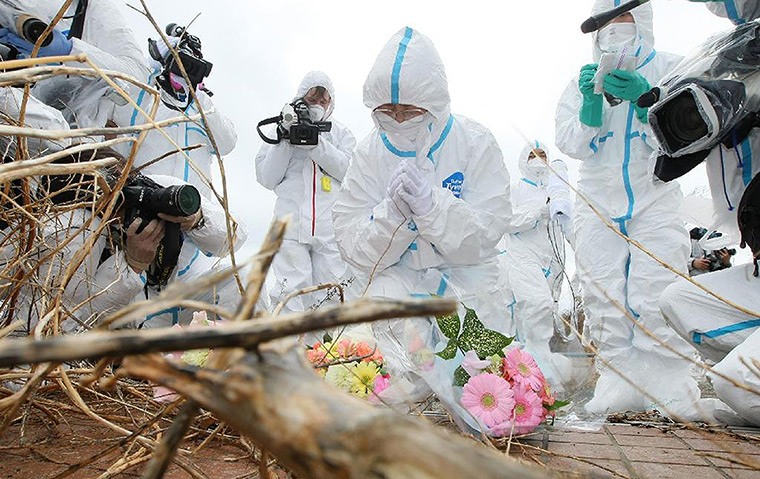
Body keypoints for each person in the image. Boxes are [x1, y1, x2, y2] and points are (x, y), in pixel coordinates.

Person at [333, 27, 512, 432]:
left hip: (466, 275)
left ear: (433, 102)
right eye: (387, 110)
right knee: (386, 313)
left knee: (477, 367)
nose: (397, 119)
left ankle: (473, 391)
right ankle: (412, 383)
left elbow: (488, 231)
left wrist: (435, 208)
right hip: (401, 276)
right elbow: (352, 244)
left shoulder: (474, 142)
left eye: (408, 110)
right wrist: (391, 216)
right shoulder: (368, 153)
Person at [555, 0, 708, 419]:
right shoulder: (582, 81)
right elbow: (571, 144)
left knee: (656, 287)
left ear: (642, 20)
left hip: (654, 194)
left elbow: (694, 134)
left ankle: (670, 381)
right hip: (597, 198)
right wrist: (590, 106)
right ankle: (619, 378)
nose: (614, 28)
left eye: (623, 17)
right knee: (603, 290)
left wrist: (649, 101)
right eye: (605, 23)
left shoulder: (674, 68)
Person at [256, 72, 355, 314]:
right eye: (313, 98)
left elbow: (350, 172)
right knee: (289, 294)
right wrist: (284, 138)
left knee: (332, 293)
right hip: (289, 227)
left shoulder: (339, 133)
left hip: (329, 230)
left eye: (324, 100)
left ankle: (326, 349)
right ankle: (286, 349)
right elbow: (266, 177)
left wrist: (317, 146)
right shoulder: (282, 128)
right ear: (301, 97)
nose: (319, 105)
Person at [110, 32, 237, 200]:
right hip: (146, 199)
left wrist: (198, 94)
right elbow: (119, 116)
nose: (185, 69)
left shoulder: (202, 111)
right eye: (180, 62)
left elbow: (227, 143)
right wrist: (151, 68)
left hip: (192, 208)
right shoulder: (149, 99)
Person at [0, 0, 150, 129]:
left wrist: (71, 52)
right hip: (8, 123)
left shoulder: (91, 8)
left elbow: (137, 78)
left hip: (72, 142)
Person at [503, 141, 573, 388]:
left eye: (542, 155)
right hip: (521, 257)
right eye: (532, 155)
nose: (537, 159)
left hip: (548, 262)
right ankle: (535, 371)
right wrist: (537, 211)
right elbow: (507, 220)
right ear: (523, 159)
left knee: (538, 314)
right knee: (536, 305)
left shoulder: (555, 191)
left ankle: (530, 375)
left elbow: (563, 228)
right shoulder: (515, 189)